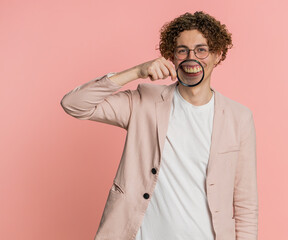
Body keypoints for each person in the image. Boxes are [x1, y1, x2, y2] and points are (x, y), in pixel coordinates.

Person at [60, 11, 258, 240]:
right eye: (182, 50)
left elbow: (245, 204)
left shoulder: (239, 118)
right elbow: (74, 104)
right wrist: (136, 72)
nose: (191, 58)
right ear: (171, 57)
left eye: (201, 50)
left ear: (217, 54)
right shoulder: (144, 101)